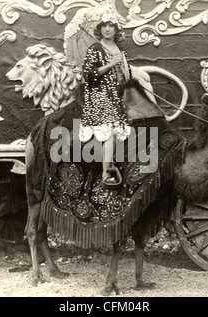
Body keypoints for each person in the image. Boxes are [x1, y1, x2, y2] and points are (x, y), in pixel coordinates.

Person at [79, 11, 131, 186]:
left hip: (117, 96)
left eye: (111, 26)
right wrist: (110, 64)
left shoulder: (120, 51)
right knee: (109, 130)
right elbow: (89, 75)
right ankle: (106, 173)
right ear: (99, 29)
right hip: (99, 95)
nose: (108, 29)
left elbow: (126, 76)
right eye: (104, 26)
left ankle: (118, 164)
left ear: (116, 29)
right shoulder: (96, 49)